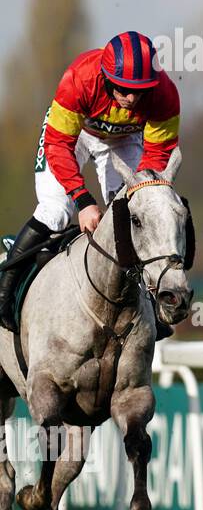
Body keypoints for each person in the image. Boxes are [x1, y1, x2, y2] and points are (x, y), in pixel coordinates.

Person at [0, 31, 182, 337]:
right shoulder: (80, 78)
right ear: (107, 77)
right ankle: (5, 290)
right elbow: (58, 144)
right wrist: (82, 200)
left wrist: (141, 197)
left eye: (140, 91)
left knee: (130, 217)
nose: (132, 99)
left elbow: (157, 155)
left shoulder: (165, 95)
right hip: (74, 137)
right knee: (56, 211)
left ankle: (149, 304)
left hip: (124, 141)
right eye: (124, 89)